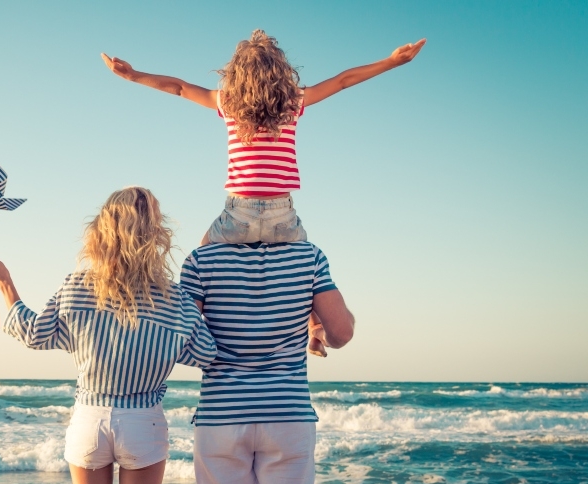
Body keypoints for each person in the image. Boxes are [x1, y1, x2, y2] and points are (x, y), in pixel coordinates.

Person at [102, 29, 422, 356]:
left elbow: (180, 87)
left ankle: (188, 332)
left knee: (200, 260)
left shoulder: (227, 102)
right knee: (310, 277)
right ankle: (315, 329)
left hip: (237, 215)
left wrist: (133, 75)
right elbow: (342, 81)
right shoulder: (293, 101)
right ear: (280, 71)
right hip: (282, 216)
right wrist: (391, 62)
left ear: (236, 74)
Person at [0, 186, 216, 484]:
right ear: (155, 233)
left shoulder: (78, 286)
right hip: (144, 423)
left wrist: (6, 285)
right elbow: (207, 353)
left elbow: (36, 334)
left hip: (89, 420)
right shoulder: (175, 299)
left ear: (102, 230)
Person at [179, 239, 355, 484]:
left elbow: (183, 339)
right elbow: (341, 333)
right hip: (286, 414)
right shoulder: (308, 257)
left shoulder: (201, 260)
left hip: (222, 416)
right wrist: (314, 321)